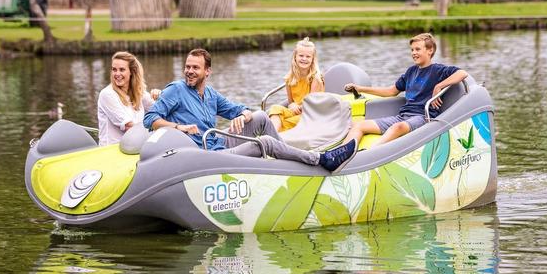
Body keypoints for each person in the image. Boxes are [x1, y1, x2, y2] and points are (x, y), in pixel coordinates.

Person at [143, 48, 356, 172]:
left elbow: (240, 108)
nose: (189, 71)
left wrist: (243, 115)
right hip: (206, 155)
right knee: (264, 142)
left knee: (261, 116)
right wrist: (178, 127)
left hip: (220, 143)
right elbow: (149, 118)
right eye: (187, 67)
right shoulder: (176, 90)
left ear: (207, 71)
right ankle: (320, 159)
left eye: (195, 68)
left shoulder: (210, 94)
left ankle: (288, 163)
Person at [342, 33, 468, 149]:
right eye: (412, 50)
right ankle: (341, 154)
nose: (413, 53)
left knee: (397, 127)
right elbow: (391, 91)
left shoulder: (438, 70)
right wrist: (360, 88)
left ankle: (369, 154)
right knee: (359, 125)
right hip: (402, 117)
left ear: (430, 50)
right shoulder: (411, 72)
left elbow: (462, 73)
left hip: (423, 118)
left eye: (418, 49)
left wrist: (439, 86)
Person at [97, 51, 160, 146]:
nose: (117, 74)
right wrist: (158, 132)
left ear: (131, 72)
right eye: (114, 70)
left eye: (122, 70)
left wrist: (160, 96)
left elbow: (159, 110)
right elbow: (129, 127)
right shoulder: (107, 94)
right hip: (112, 151)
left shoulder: (139, 93)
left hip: (136, 146)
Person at [268, 37, 325, 131]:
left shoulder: (316, 78)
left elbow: (312, 104)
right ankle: (272, 136)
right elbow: (290, 102)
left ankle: (273, 136)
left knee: (285, 122)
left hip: (312, 114)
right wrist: (292, 105)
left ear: (313, 59)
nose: (304, 59)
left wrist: (296, 107)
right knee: (275, 108)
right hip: (297, 111)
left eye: (308, 56)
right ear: (295, 56)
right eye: (301, 55)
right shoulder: (290, 78)